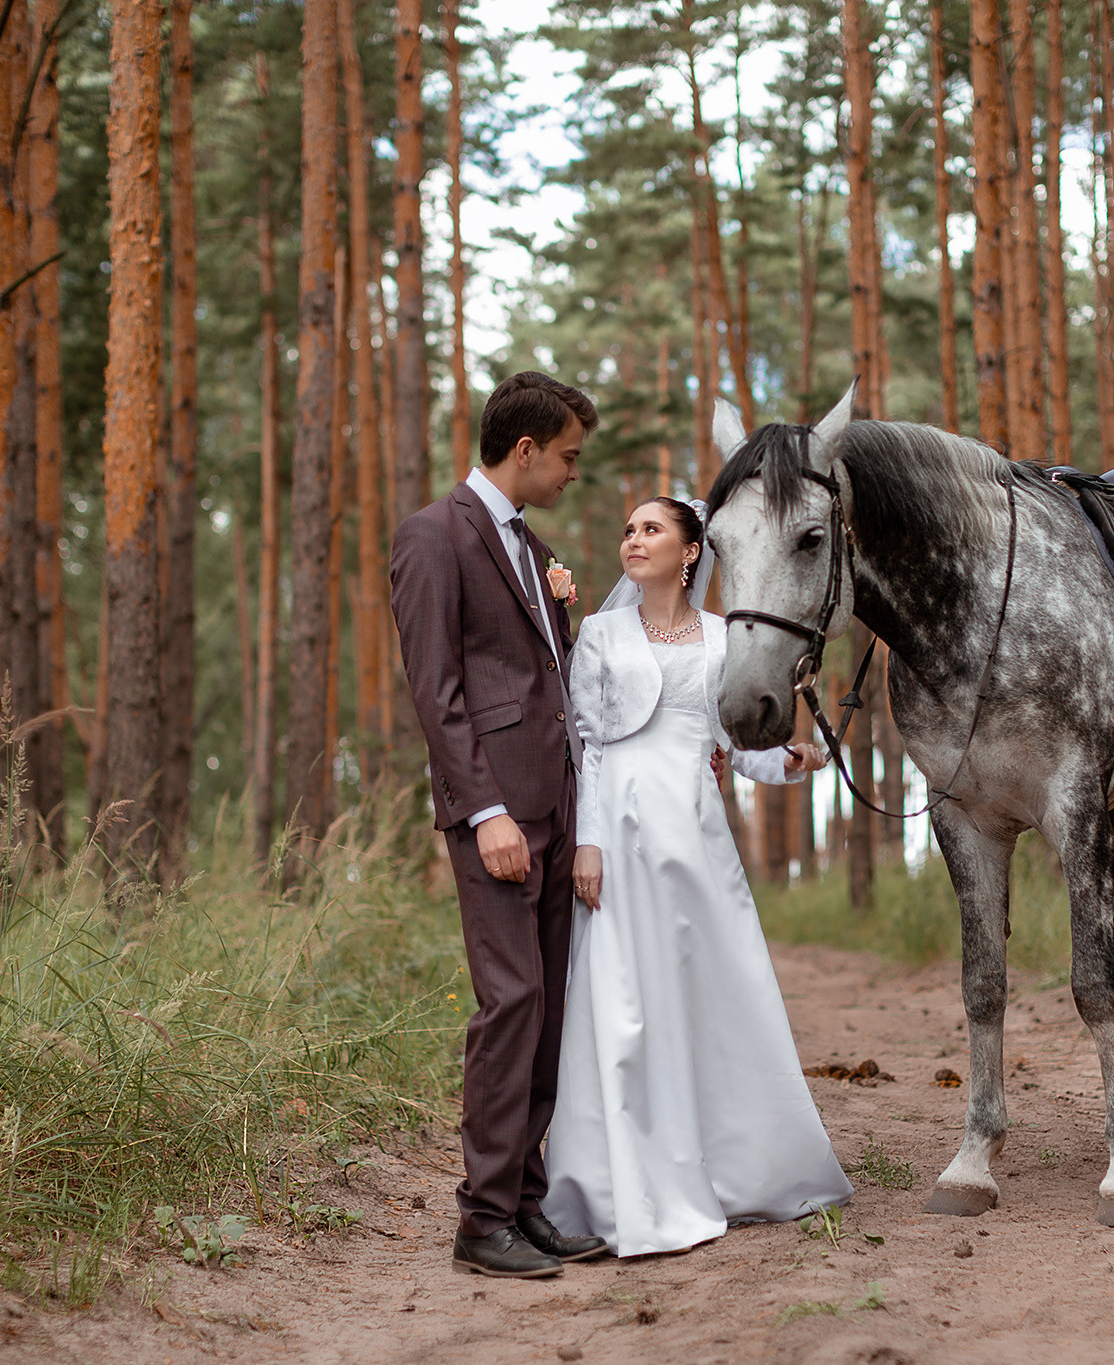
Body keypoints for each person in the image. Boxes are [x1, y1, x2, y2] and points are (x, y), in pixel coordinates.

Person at [541, 496, 853, 1258]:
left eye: (651, 528)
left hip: (694, 836)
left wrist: (791, 759)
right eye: (628, 528)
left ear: (690, 553)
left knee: (712, 991)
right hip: (617, 834)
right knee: (621, 999)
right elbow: (586, 747)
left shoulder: (722, 639)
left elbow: (736, 746)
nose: (633, 539)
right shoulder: (600, 635)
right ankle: (614, 1182)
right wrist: (587, 843)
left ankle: (736, 1167)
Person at [389, 372, 610, 1279]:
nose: (572, 473)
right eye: (567, 457)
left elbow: (551, 681)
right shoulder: (433, 536)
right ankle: (481, 1218)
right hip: (498, 815)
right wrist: (485, 812)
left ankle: (524, 1200)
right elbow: (436, 691)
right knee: (511, 999)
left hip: (556, 802)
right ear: (525, 449)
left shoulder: (536, 547)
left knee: (548, 1004)